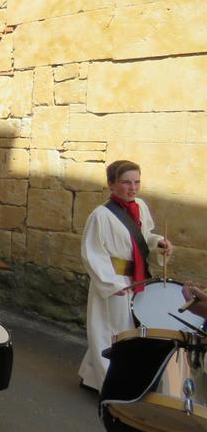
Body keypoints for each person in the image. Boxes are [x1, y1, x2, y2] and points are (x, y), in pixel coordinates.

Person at [78, 160, 171, 392]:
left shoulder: (140, 205)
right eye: (126, 182)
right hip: (114, 281)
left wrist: (159, 243)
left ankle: (90, 375)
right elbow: (92, 253)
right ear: (111, 184)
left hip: (136, 279)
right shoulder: (100, 215)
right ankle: (109, 386)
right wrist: (111, 283)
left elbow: (144, 237)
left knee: (119, 329)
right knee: (110, 332)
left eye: (137, 182)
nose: (133, 188)